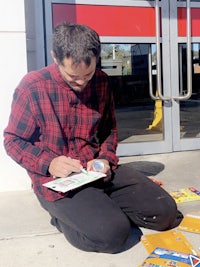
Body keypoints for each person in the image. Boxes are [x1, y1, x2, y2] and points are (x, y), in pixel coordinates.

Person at [4, 22, 183, 254]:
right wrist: (49, 163)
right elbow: (13, 141)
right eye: (72, 76)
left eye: (88, 74)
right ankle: (64, 218)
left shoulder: (101, 81)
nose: (82, 83)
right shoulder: (33, 87)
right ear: (55, 58)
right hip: (57, 180)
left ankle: (100, 208)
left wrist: (106, 159)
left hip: (97, 170)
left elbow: (109, 130)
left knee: (165, 213)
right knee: (112, 236)